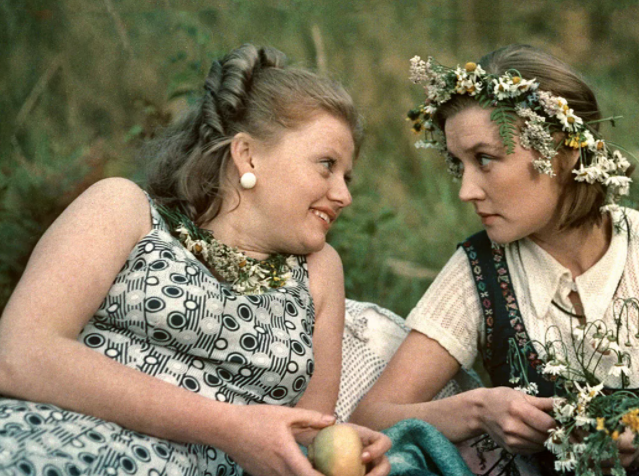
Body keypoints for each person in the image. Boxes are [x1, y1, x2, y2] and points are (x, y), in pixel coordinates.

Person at [350, 44, 639, 475]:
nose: (466, 191)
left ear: (564, 154)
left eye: (485, 159)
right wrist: (479, 410)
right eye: (460, 164)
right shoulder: (479, 269)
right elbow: (371, 418)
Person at [0, 43, 390, 476]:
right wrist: (229, 426)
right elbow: (19, 355)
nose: (343, 195)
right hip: (56, 446)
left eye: (346, 176)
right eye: (326, 165)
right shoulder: (124, 210)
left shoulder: (318, 271)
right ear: (247, 154)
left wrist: (343, 451)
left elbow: (305, 432)